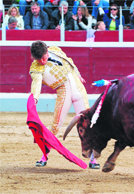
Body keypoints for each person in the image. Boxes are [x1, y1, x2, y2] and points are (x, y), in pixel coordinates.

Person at [29, 40, 100, 169]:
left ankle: (92, 158)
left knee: (87, 123)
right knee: (56, 125)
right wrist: (34, 98)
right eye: (40, 60)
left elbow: (69, 61)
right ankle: (44, 156)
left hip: (78, 88)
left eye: (44, 58)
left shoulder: (55, 50)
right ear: (34, 58)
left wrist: (77, 74)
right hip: (64, 91)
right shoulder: (35, 68)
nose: (43, 62)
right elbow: (36, 83)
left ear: (47, 51)